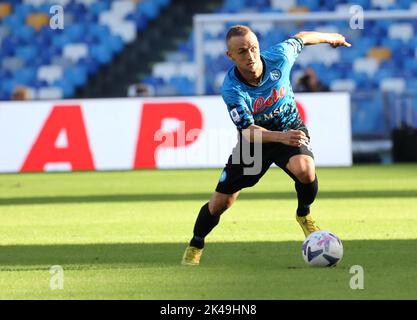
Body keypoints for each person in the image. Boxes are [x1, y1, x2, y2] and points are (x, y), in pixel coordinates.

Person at [182, 26, 351, 266]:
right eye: (242, 52)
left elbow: (301, 38)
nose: (250, 56)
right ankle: (196, 244)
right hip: (256, 142)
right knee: (221, 203)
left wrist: (330, 37)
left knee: (305, 169)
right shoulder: (231, 89)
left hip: (289, 127)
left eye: (253, 48)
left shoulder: (280, 57)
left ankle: (303, 214)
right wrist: (282, 138)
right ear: (230, 56)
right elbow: (249, 132)